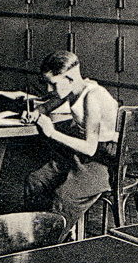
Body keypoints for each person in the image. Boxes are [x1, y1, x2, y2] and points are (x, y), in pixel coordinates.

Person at [22, 51, 119, 232]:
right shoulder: (73, 89)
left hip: (105, 160)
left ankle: (51, 241)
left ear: (70, 78)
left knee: (63, 197)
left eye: (53, 84)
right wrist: (36, 112)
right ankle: (33, 234)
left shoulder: (92, 97)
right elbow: (46, 105)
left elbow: (90, 148)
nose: (49, 90)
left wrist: (51, 132)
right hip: (84, 157)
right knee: (35, 180)